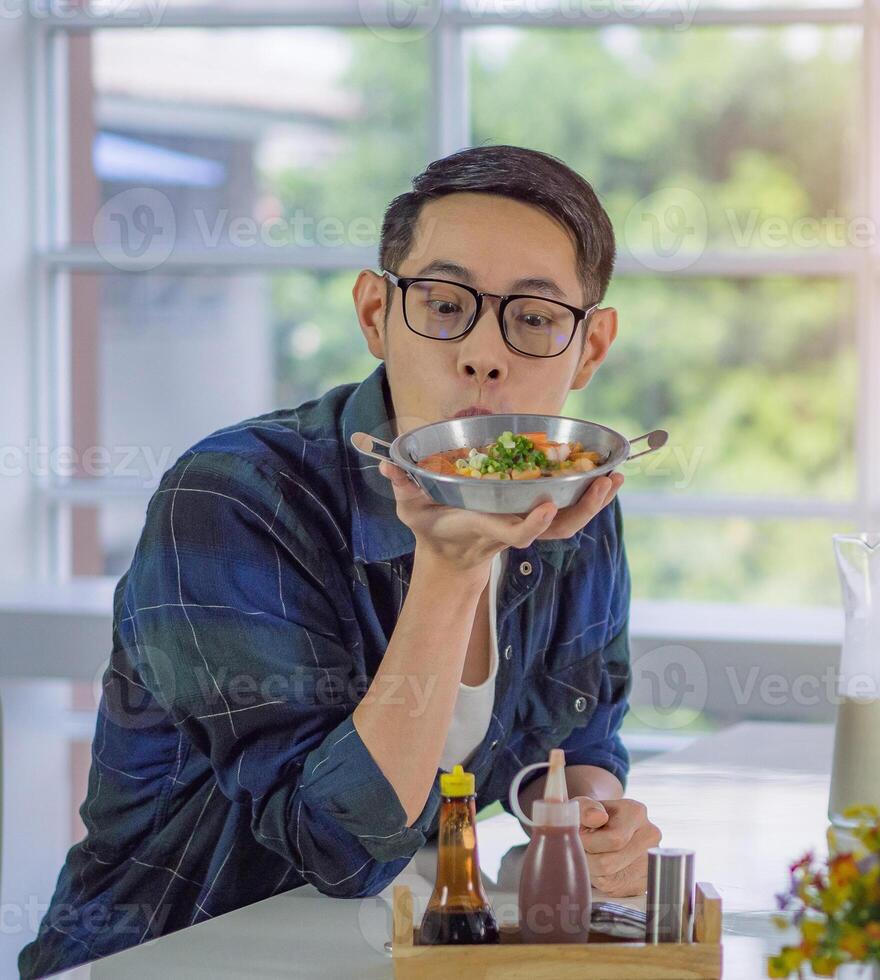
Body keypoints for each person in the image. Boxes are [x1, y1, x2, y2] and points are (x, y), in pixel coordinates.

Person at [20, 145, 661, 978]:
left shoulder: (569, 497)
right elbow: (340, 852)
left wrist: (582, 815)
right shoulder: (234, 500)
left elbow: (577, 738)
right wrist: (451, 572)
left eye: (535, 318)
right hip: (170, 958)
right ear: (374, 313)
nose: (483, 354)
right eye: (443, 304)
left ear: (590, 347)